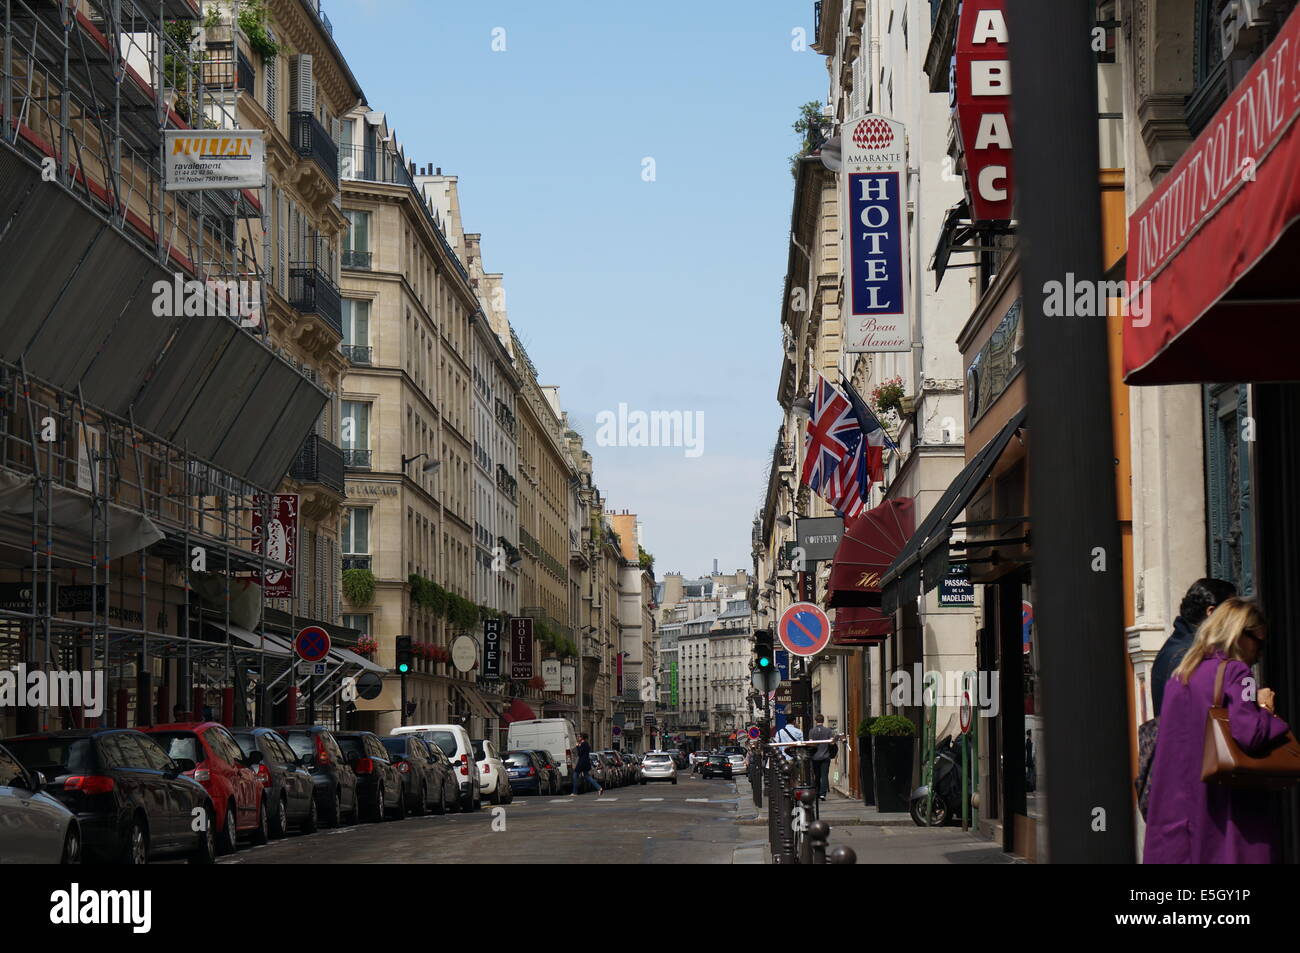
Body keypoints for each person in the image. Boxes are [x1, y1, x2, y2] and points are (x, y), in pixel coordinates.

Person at [1143, 598, 1290, 864]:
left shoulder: (1182, 674)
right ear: (1239, 634)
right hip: (1224, 807)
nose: (1260, 653)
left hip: (1181, 806)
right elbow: (1250, 733)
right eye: (1259, 641)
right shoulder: (1238, 673)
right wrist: (1267, 710)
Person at [1151, 578, 1237, 716]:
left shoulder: (1178, 645)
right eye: (1232, 612)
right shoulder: (1189, 655)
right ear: (1211, 612)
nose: (1236, 620)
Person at [808, 714, 834, 801]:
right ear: (823, 721)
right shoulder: (828, 731)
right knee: (824, 775)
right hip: (825, 756)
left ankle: (817, 792)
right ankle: (823, 794)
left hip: (815, 757)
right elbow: (831, 743)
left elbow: (811, 744)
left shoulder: (812, 731)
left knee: (817, 775)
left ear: (816, 721)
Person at [570, 732, 603, 797]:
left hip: (582, 763)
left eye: (579, 737)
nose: (577, 738)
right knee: (587, 776)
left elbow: (580, 753)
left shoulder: (584, 744)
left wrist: (577, 746)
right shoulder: (585, 744)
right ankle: (599, 788)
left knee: (575, 775)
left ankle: (574, 792)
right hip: (585, 762)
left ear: (582, 738)